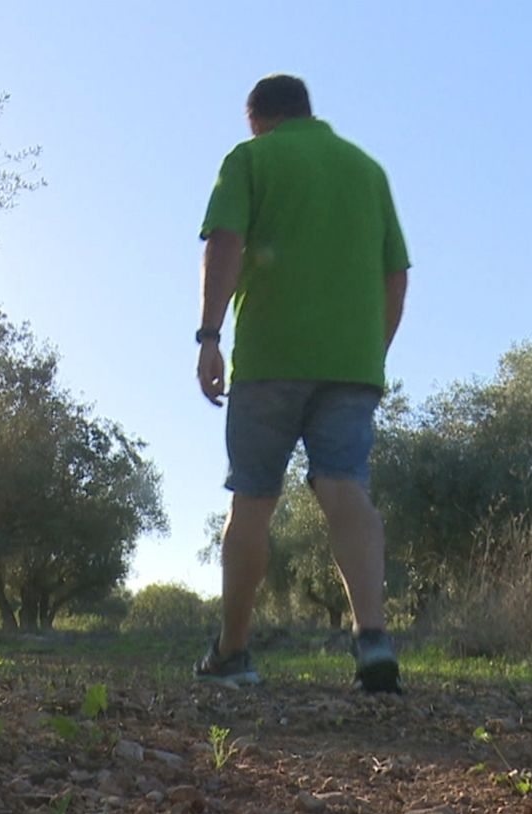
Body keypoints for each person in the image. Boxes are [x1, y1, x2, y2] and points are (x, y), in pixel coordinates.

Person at [194, 74, 410, 693]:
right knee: (346, 489)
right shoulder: (366, 170)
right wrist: (371, 349)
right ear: (308, 112)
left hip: (270, 358)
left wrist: (209, 335)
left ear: (257, 119)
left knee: (254, 501)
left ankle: (233, 653)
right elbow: (396, 276)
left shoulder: (251, 158)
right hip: (352, 362)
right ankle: (372, 640)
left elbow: (226, 241)